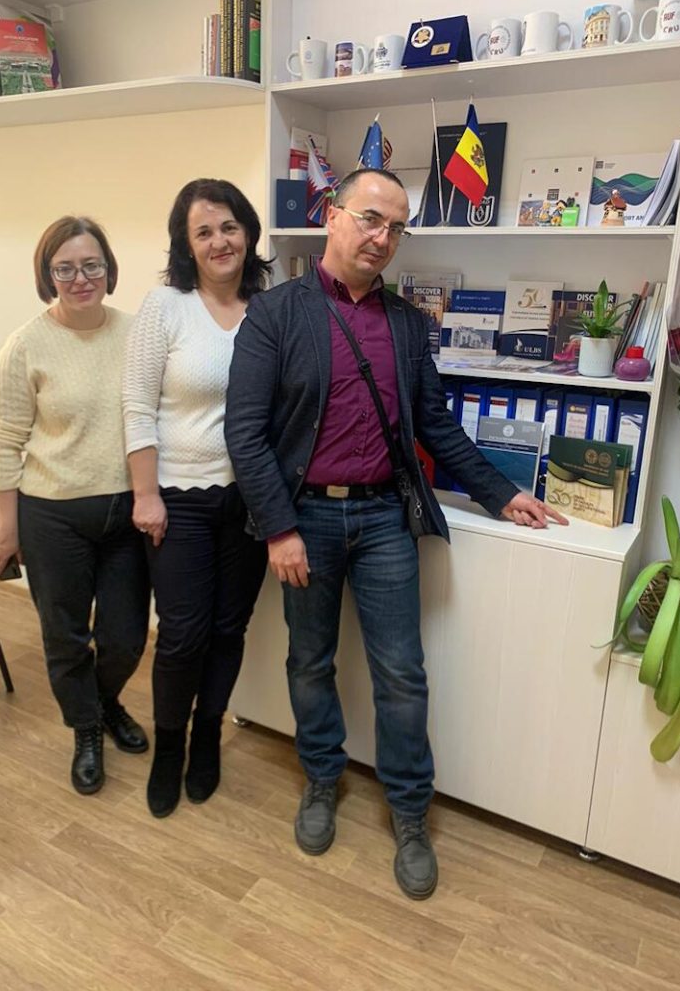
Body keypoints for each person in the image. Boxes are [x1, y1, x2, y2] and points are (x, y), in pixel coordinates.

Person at [225, 168, 568, 900]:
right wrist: (279, 529)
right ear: (332, 215)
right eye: (371, 219)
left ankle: (410, 812)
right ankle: (322, 779)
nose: (383, 237)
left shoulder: (410, 324)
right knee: (310, 662)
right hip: (305, 520)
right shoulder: (276, 314)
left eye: (397, 228)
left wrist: (503, 492)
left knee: (403, 674)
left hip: (385, 518)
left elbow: (435, 425)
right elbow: (244, 433)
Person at [0, 216, 151, 796]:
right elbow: (4, 439)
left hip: (126, 513)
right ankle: (86, 728)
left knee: (126, 637)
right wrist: (7, 528)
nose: (80, 278)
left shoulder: (136, 333)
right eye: (65, 269)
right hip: (52, 515)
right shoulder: (25, 345)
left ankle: (103, 702)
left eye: (91, 265)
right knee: (66, 636)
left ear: (108, 269)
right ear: (47, 275)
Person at [123, 178, 270, 819]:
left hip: (251, 501)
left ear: (248, 232)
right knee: (182, 636)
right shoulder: (166, 307)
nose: (219, 241)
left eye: (229, 226)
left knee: (228, 630)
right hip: (178, 498)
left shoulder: (271, 306)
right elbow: (136, 406)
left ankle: (208, 735)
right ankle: (169, 748)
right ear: (186, 245)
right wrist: (145, 494)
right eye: (203, 231)